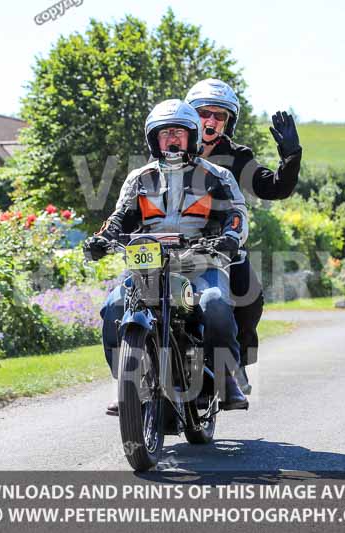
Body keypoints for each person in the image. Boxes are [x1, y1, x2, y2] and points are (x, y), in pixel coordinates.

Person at [85, 99, 250, 414]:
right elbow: (119, 217)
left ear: (192, 136)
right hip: (148, 267)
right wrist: (102, 238)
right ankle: (127, 386)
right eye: (165, 134)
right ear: (154, 140)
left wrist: (231, 236)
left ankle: (226, 379)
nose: (172, 139)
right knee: (113, 307)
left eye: (178, 132)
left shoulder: (216, 175)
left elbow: (236, 215)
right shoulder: (139, 178)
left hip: (200, 265)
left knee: (214, 304)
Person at [184, 78, 302, 393]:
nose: (210, 120)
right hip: (172, 244)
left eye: (219, 115)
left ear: (228, 122)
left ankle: (233, 368)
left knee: (249, 297)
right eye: (204, 112)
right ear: (190, 115)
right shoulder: (170, 147)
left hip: (223, 246)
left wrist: (291, 158)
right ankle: (134, 379)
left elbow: (274, 187)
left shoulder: (236, 157)